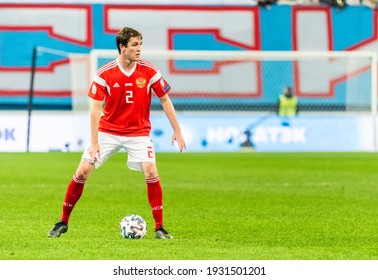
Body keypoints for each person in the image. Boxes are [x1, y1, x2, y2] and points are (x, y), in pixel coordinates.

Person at [47, 27, 186, 239]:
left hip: (139, 133)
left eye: (140, 45)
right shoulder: (105, 74)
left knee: (150, 171)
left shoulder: (150, 71)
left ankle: (160, 228)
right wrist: (94, 142)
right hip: (108, 131)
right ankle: (62, 222)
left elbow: (165, 99)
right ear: (122, 47)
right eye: (134, 45)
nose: (139, 49)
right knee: (83, 171)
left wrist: (177, 130)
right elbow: (95, 108)